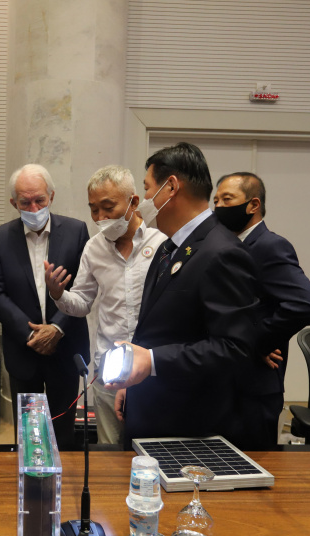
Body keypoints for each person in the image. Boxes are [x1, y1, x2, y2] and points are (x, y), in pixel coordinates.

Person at [106, 143, 261, 450]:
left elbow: (234, 348)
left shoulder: (222, 252)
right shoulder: (169, 247)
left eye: (148, 189)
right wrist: (134, 379)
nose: (144, 200)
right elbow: (158, 328)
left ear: (171, 187)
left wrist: (151, 361)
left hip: (188, 424)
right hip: (150, 407)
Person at [44, 165, 166, 445]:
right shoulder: (94, 248)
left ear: (133, 202)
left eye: (108, 207)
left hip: (151, 369)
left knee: (151, 451)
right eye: (94, 209)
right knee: (109, 454)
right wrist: (58, 294)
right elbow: (82, 303)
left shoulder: (162, 244)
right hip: (109, 371)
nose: (100, 217)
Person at [213, 171, 310, 447]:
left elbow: (305, 305)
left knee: (250, 465)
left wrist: (256, 340)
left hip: (254, 387)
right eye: (216, 201)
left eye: (227, 199)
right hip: (225, 383)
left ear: (253, 205)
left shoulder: (270, 245)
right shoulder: (225, 246)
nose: (219, 207)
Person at [0, 163, 89, 449]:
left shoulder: (76, 231)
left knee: (63, 434)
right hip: (24, 350)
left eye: (39, 200)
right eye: (25, 202)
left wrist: (56, 328)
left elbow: (85, 288)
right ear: (13, 203)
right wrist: (32, 334)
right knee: (29, 436)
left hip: (65, 347)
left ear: (51, 196)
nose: (33, 208)